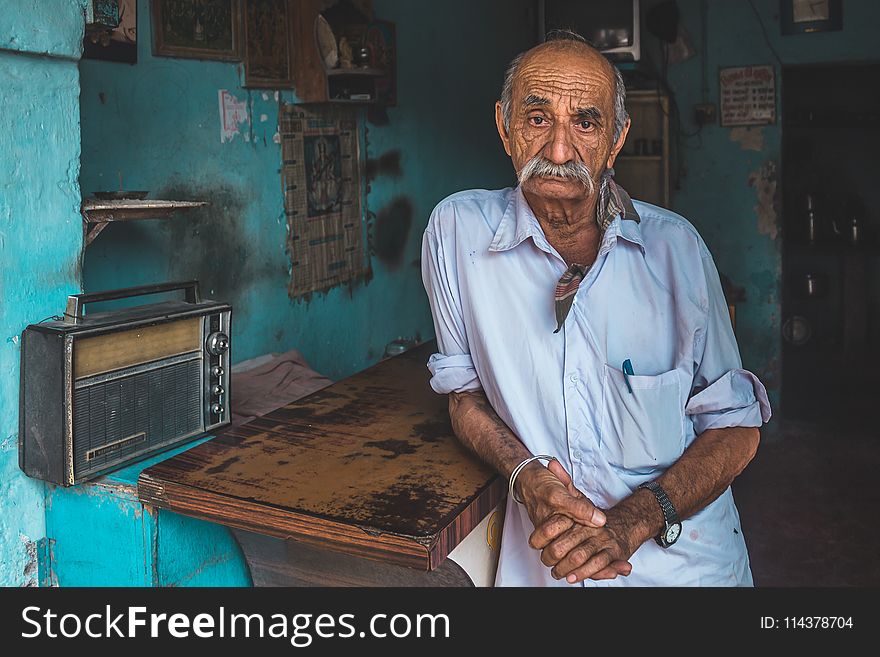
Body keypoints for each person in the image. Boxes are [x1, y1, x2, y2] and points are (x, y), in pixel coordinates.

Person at [420, 31, 771, 587]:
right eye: (538, 119)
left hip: (683, 570)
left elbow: (736, 428)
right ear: (504, 126)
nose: (559, 152)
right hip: (547, 566)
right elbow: (463, 395)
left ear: (616, 139)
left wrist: (633, 521)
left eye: (585, 123)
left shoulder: (675, 249)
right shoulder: (457, 234)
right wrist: (526, 475)